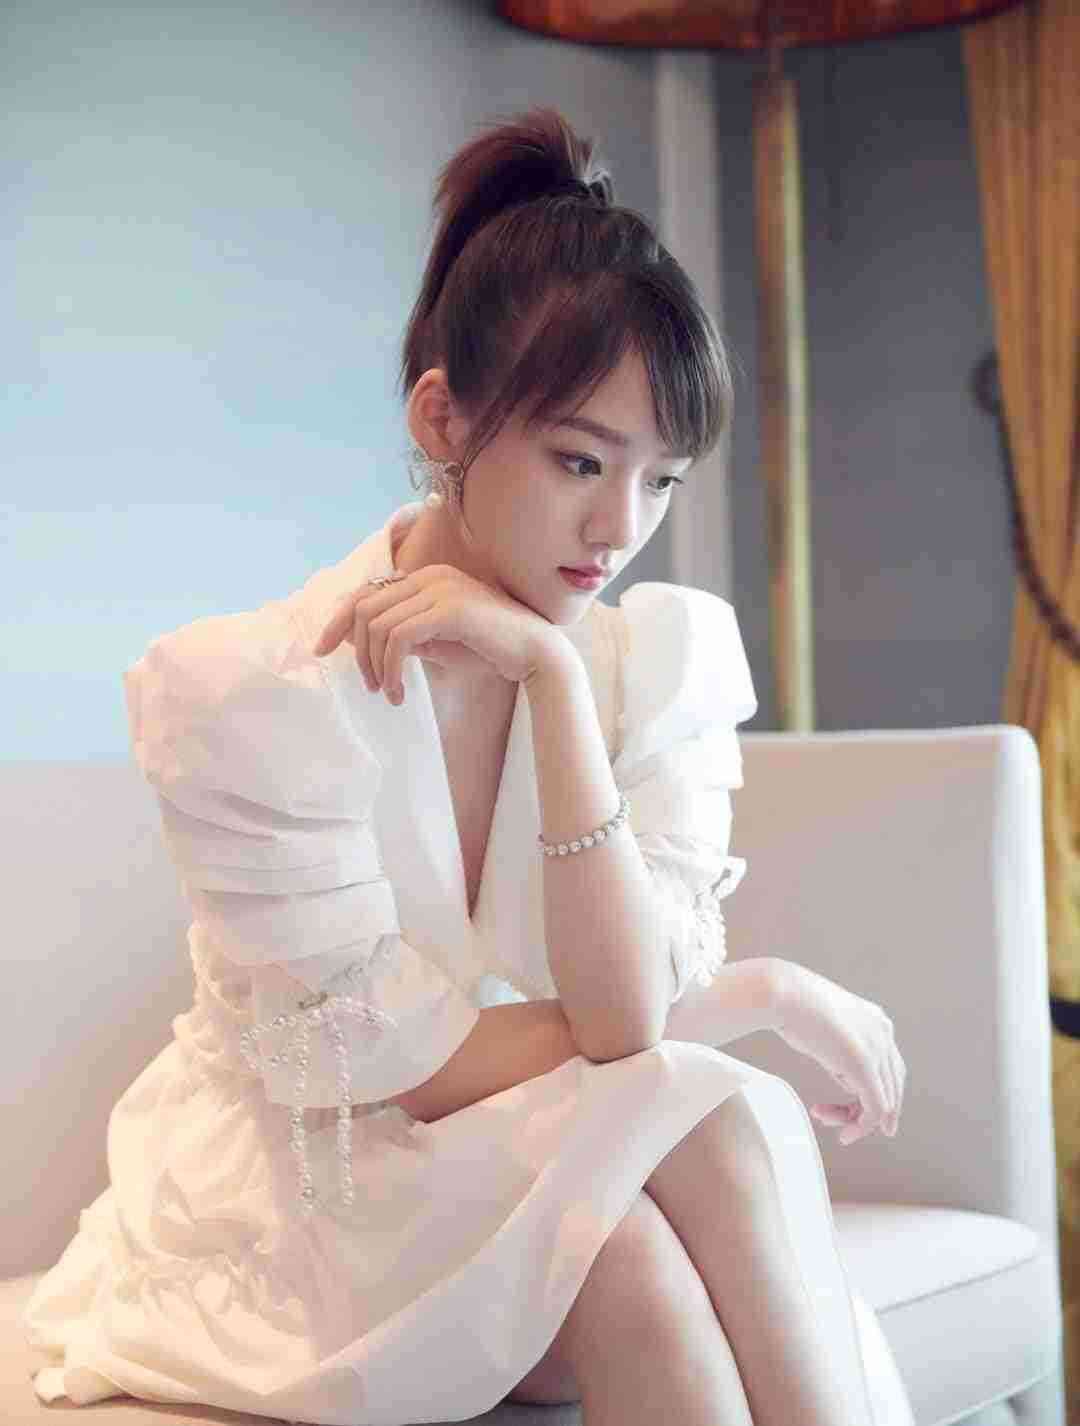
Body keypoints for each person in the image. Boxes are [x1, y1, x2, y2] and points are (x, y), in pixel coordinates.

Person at [21, 106, 912, 1426]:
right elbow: (397, 1065)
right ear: (444, 417)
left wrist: (551, 682)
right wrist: (752, 994)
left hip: (522, 1140)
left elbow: (622, 1020)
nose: (620, 528)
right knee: (629, 1241)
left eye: (663, 480)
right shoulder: (257, 696)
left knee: (709, 1132)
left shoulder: (644, 665)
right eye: (579, 461)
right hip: (322, 1195)